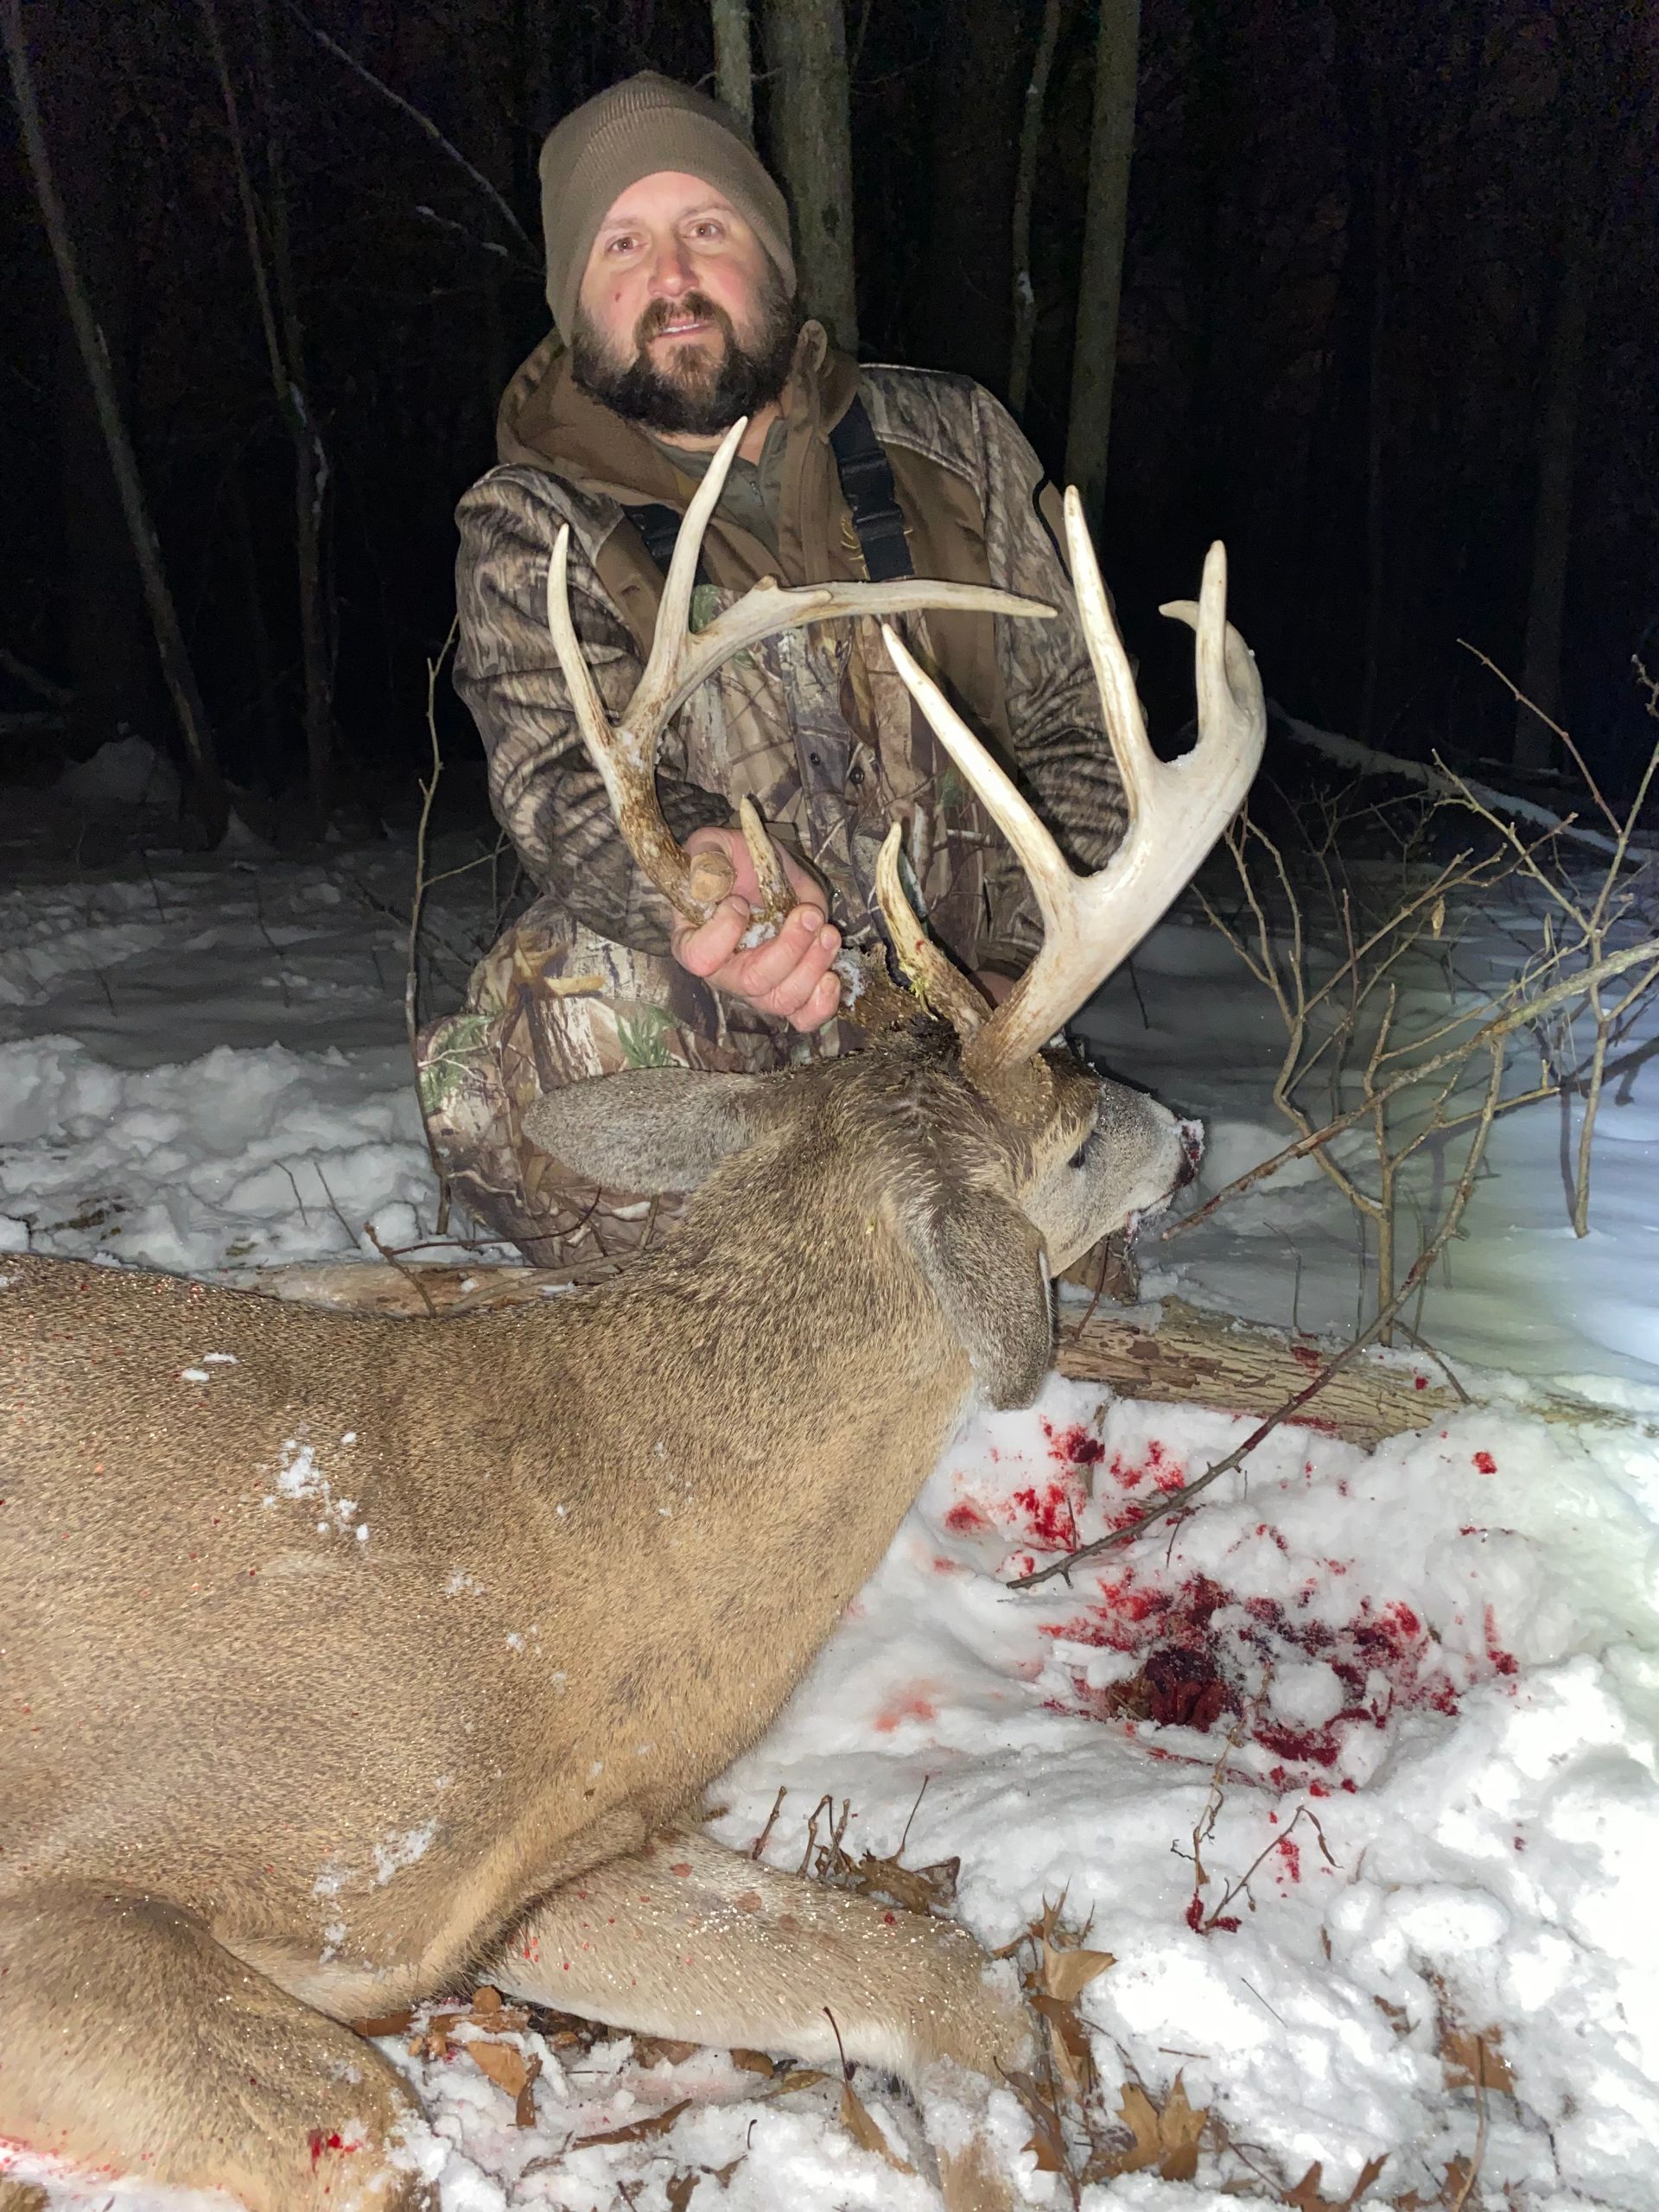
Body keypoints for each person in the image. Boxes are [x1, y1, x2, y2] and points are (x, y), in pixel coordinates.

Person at [420, 70, 1127, 1271]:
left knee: (1073, 1276)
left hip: (975, 1013)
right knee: (557, 1016)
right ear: (574, 303)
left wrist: (1009, 973)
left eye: (707, 228)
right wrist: (700, 871)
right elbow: (557, 781)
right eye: (622, 247)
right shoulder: (529, 524)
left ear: (775, 259)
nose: (671, 276)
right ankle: (733, 1334)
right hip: (738, 1022)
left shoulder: (953, 442)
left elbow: (1077, 729)